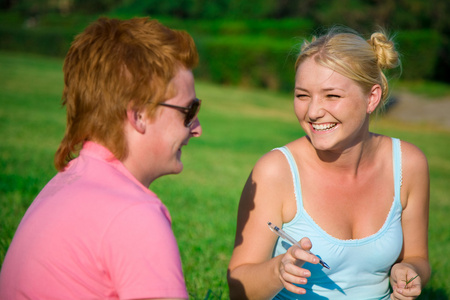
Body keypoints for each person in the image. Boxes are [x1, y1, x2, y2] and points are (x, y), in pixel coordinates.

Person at [0, 17, 202, 299]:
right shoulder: (135, 215)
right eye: (189, 111)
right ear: (139, 115)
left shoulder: (64, 183)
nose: (197, 128)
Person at [227, 27, 430, 300]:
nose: (312, 111)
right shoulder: (276, 171)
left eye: (331, 96)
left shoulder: (409, 164)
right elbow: (239, 285)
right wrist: (278, 271)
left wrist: (409, 270)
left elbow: (418, 257)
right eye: (302, 95)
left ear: (372, 97)